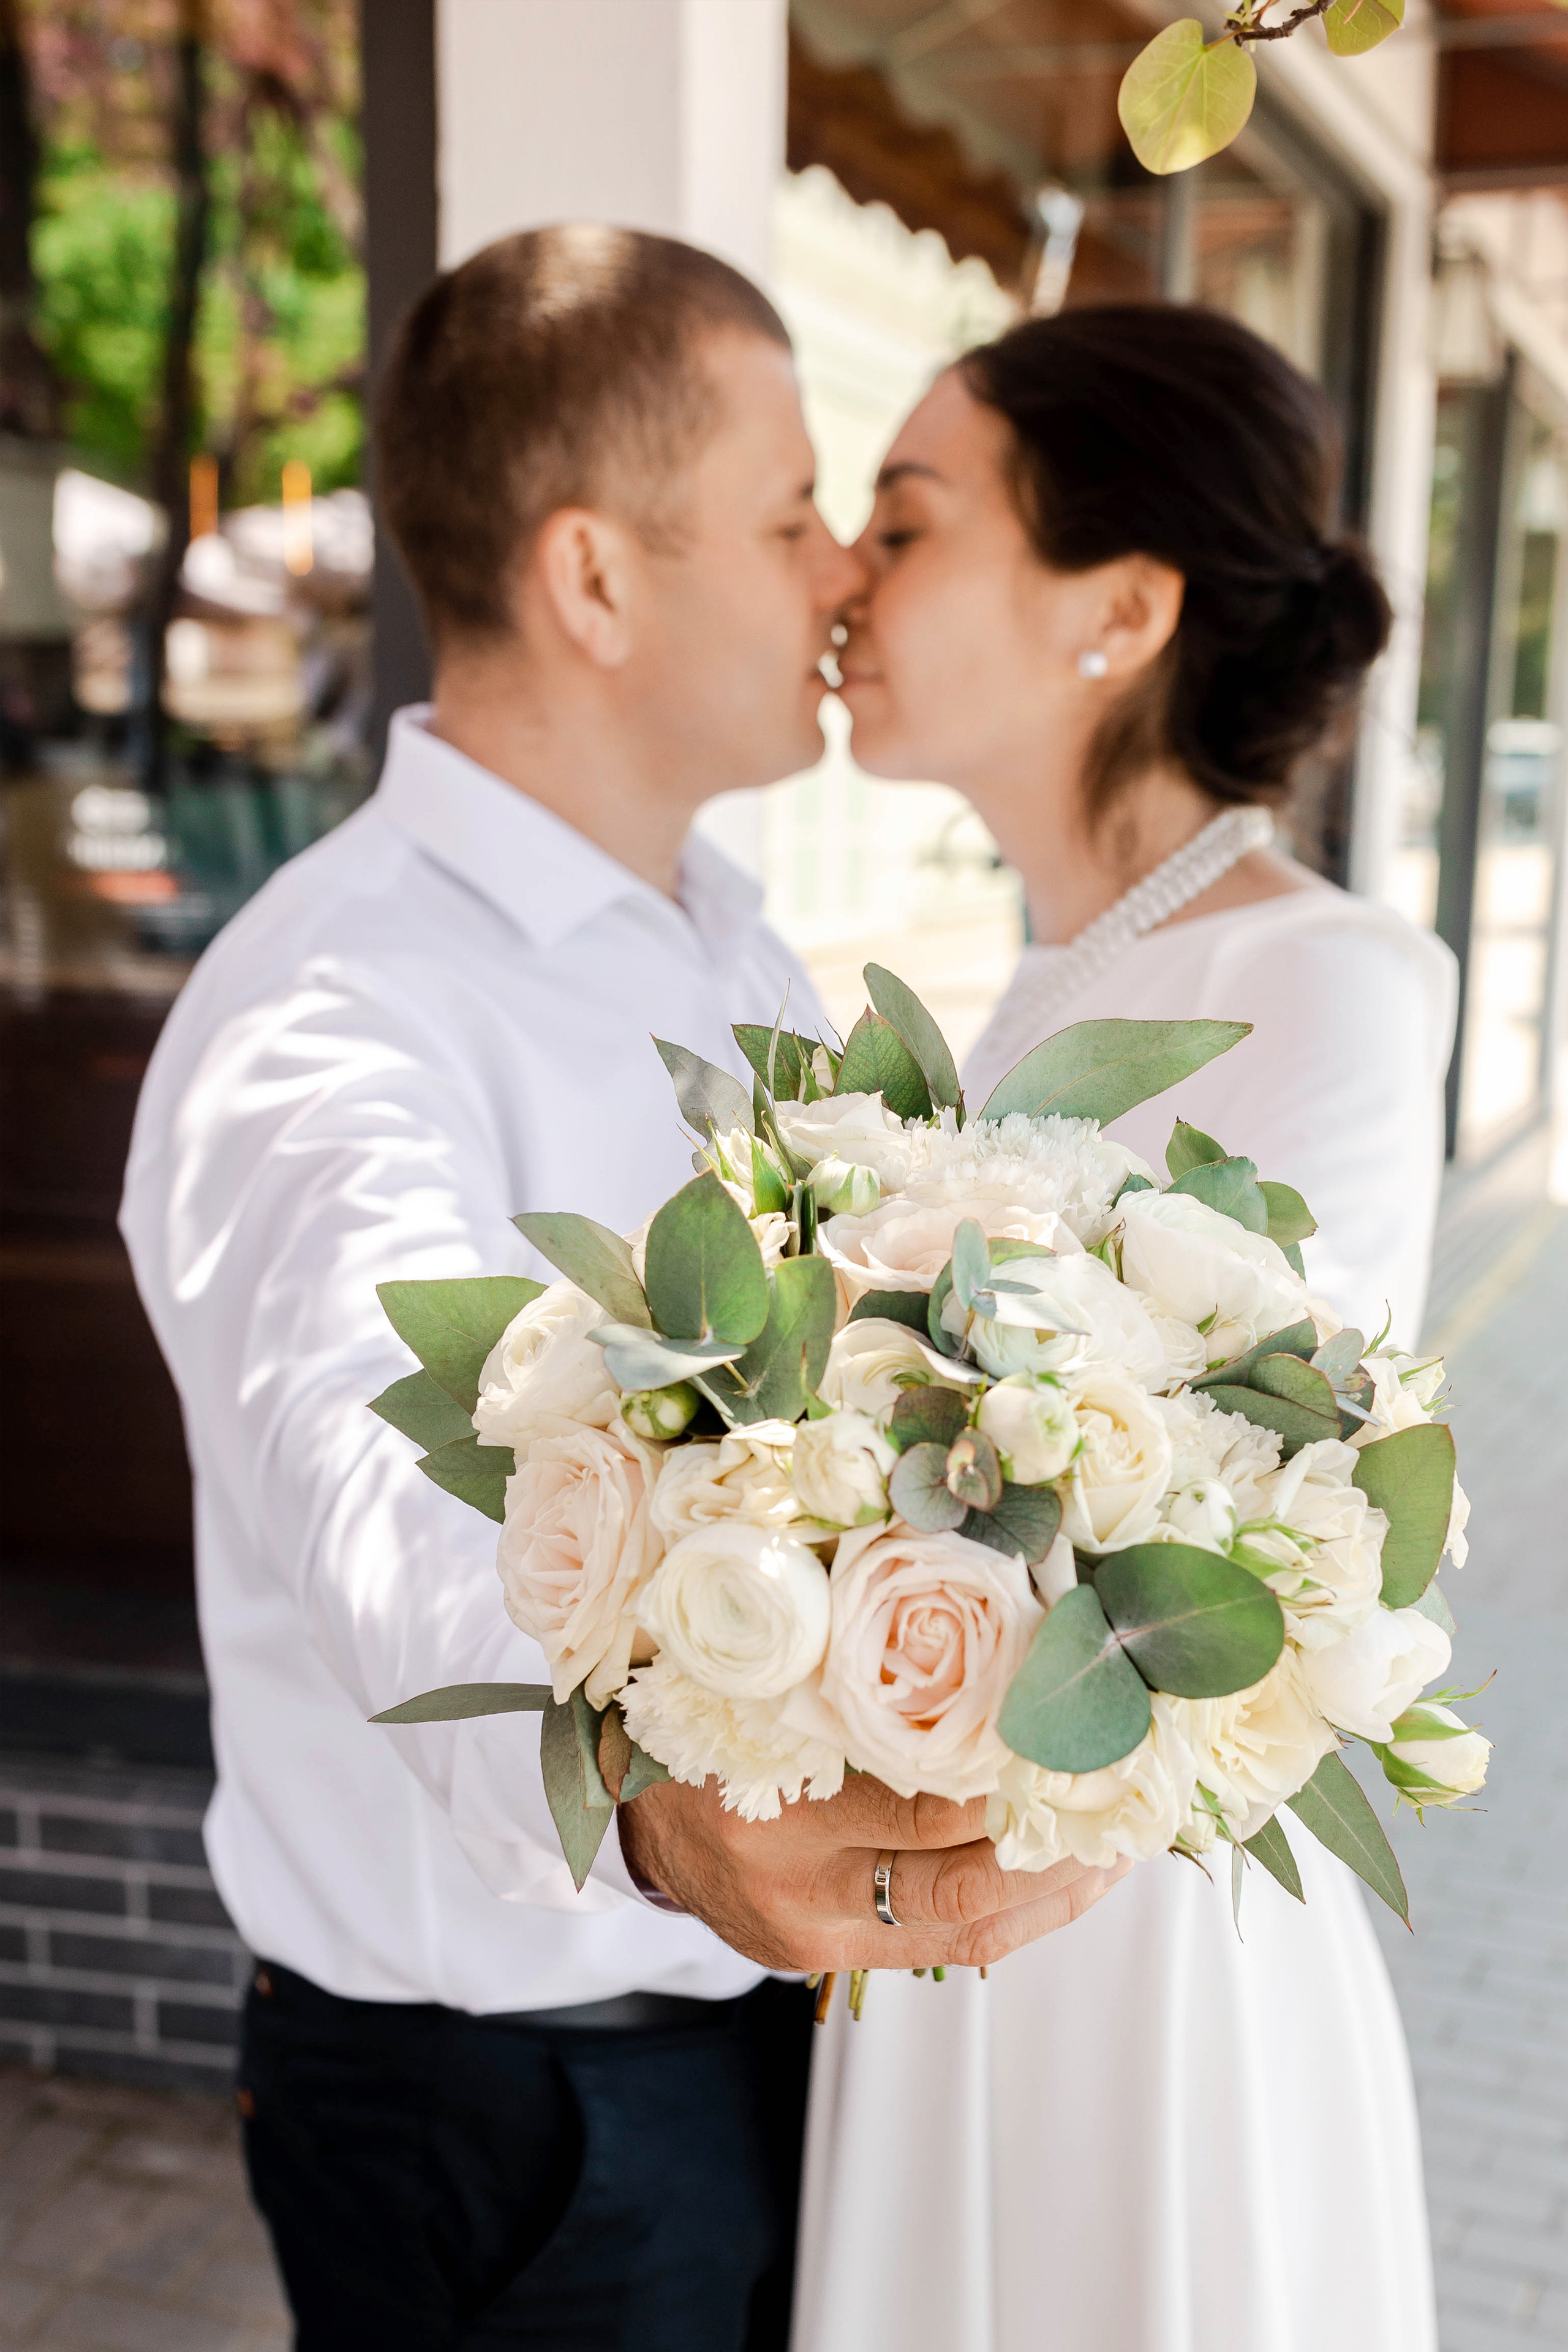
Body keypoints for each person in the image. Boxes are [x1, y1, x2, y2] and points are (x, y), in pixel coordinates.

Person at [119, 227, 1121, 2352]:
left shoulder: (729, 949)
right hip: (511, 2103)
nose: (842, 568)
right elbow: (383, 1502)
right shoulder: (333, 1011)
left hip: (742, 2042)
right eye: (784, 517)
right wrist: (664, 1828)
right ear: (595, 581)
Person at [791, 305, 1455, 2352]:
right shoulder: (1035, 989)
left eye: (905, 524)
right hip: (945, 1903)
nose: (843, 576)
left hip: (1136, 1943)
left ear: (1123, 608)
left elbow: (1223, 1498)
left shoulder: (1339, 979)